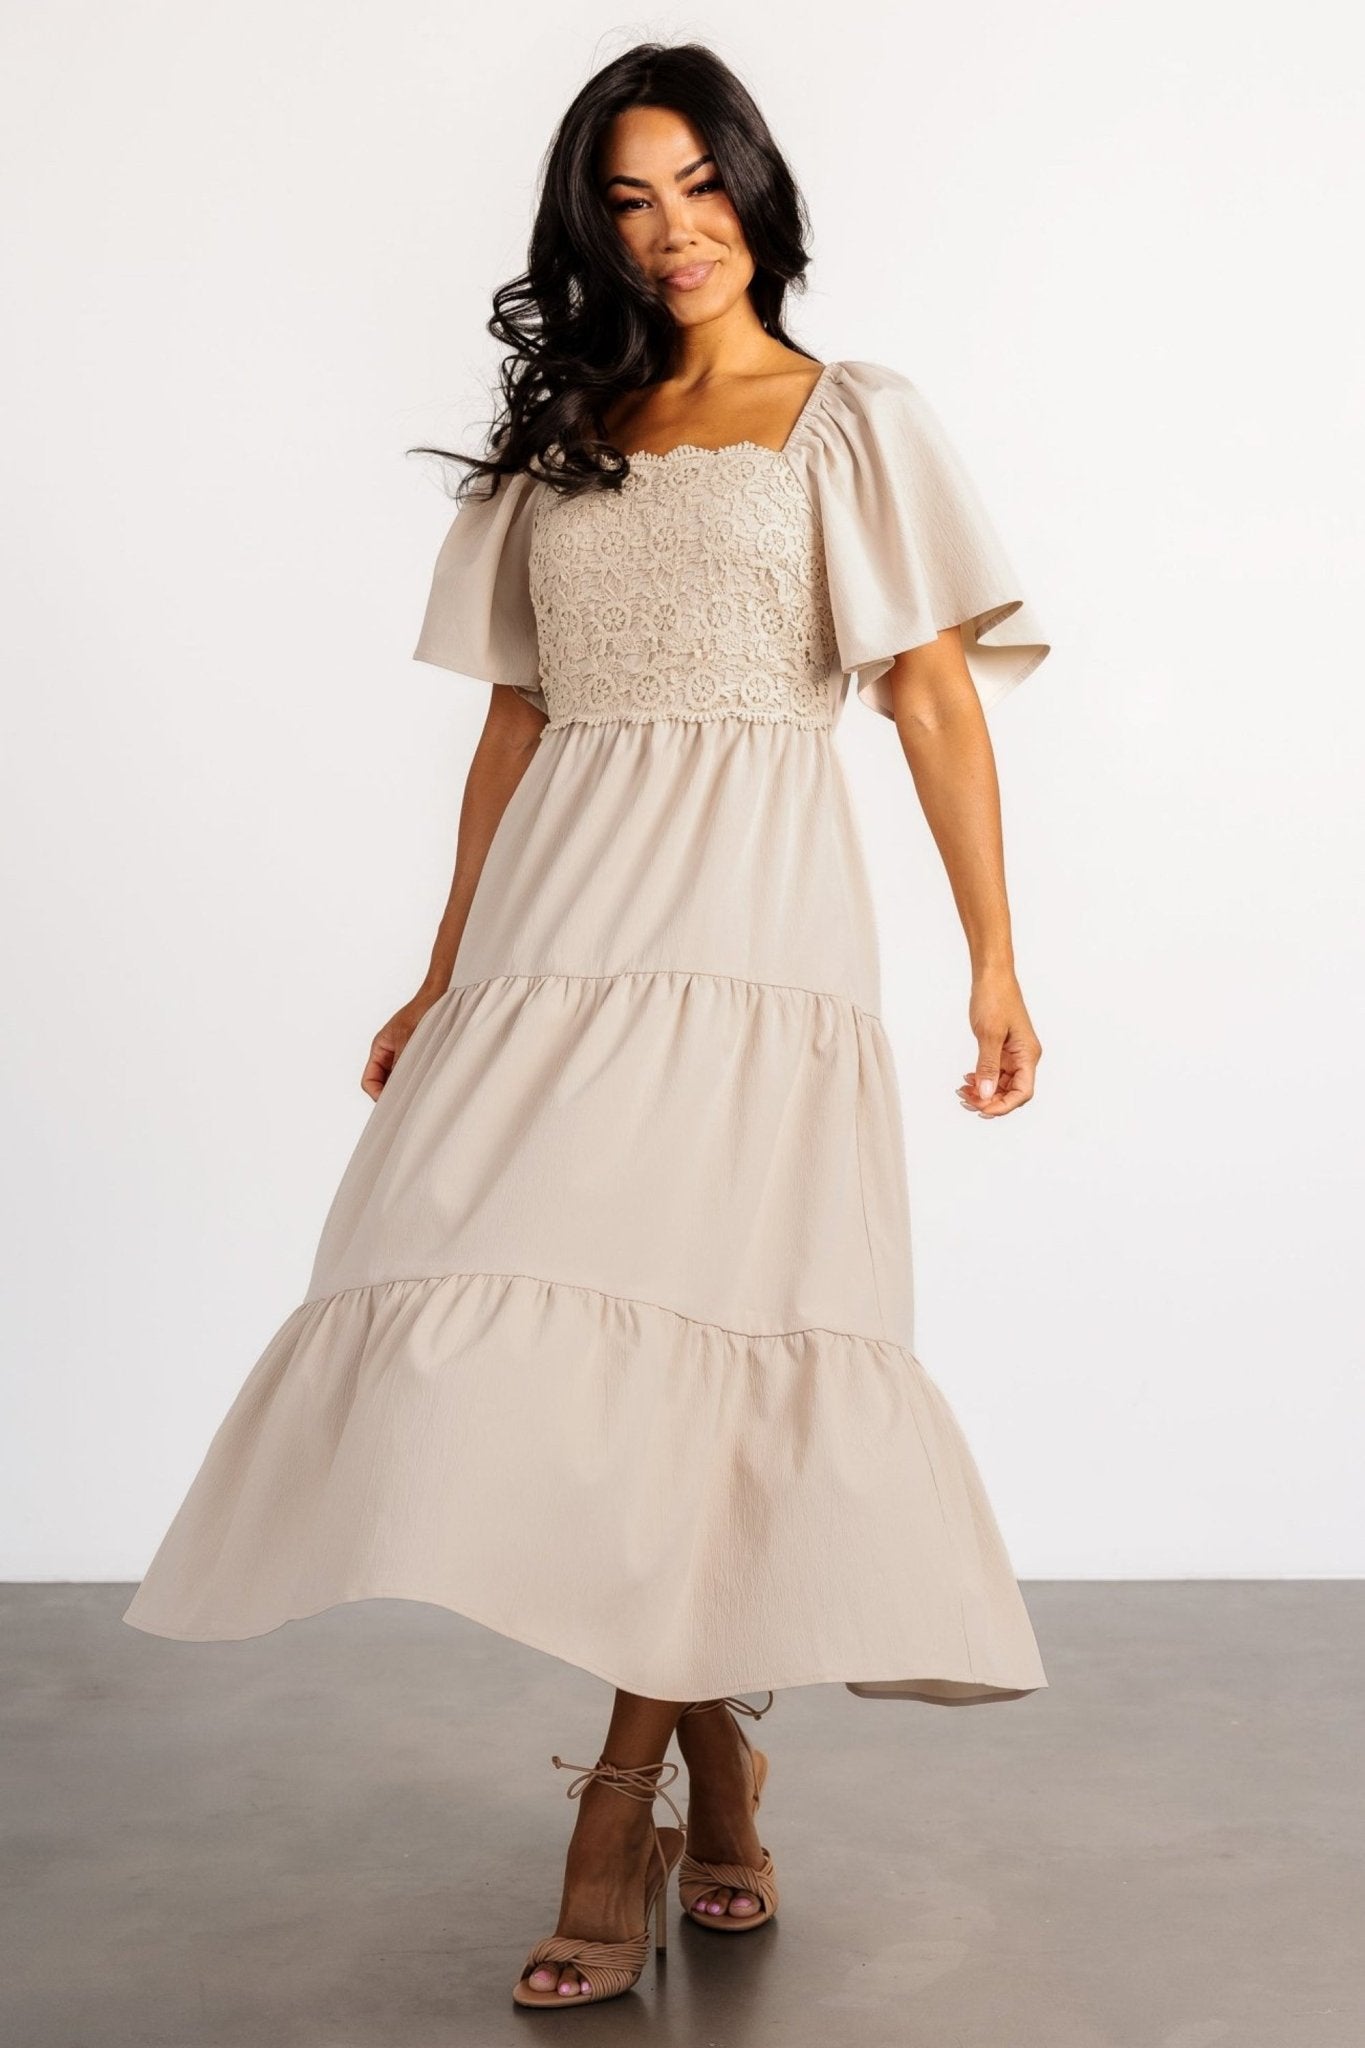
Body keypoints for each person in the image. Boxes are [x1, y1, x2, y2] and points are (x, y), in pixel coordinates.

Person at [123, 38, 1052, 2013]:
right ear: (589, 228)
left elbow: (929, 697)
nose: (672, 230)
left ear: (756, 191)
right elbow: (514, 722)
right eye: (628, 201)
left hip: (751, 921)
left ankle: (618, 1801)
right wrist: (445, 965)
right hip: (561, 918)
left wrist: (992, 959)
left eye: (699, 185)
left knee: (710, 1332)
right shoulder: (563, 433)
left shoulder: (851, 419)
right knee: (499, 1296)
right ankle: (725, 1764)